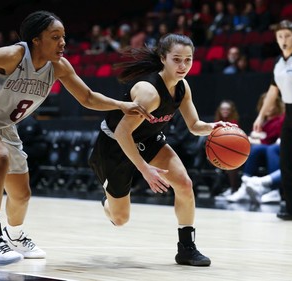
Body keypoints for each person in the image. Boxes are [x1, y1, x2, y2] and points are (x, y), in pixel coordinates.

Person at [0, 10, 152, 266]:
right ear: (36, 40)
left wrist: (121, 105)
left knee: (21, 194)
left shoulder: (59, 67)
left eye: (63, 36)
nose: (63, 42)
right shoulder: (12, 56)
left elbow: (87, 97)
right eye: (55, 37)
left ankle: (15, 236)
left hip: (5, 128)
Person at [88, 33, 236, 267]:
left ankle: (186, 248)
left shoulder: (182, 87)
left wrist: (213, 127)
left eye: (188, 60)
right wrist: (145, 170)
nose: (183, 66)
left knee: (185, 184)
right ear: (163, 58)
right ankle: (108, 202)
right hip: (115, 145)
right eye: (177, 59)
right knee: (120, 219)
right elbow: (122, 133)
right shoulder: (149, 93)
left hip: (149, 139)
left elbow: (195, 126)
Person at [253, 20, 292, 220]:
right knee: (286, 164)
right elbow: (273, 92)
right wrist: (261, 116)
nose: (283, 40)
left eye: (287, 36)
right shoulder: (278, 63)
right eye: (280, 36)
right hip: (288, 116)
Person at [226, 92, 284, 203]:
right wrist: (256, 138)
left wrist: (257, 139)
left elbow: (272, 140)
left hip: (276, 152)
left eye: (270, 104)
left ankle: (273, 190)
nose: (267, 107)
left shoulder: (281, 119)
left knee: (259, 148)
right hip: (263, 152)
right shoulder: (262, 121)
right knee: (234, 150)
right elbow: (257, 136)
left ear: (276, 104)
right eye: (264, 104)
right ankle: (243, 186)